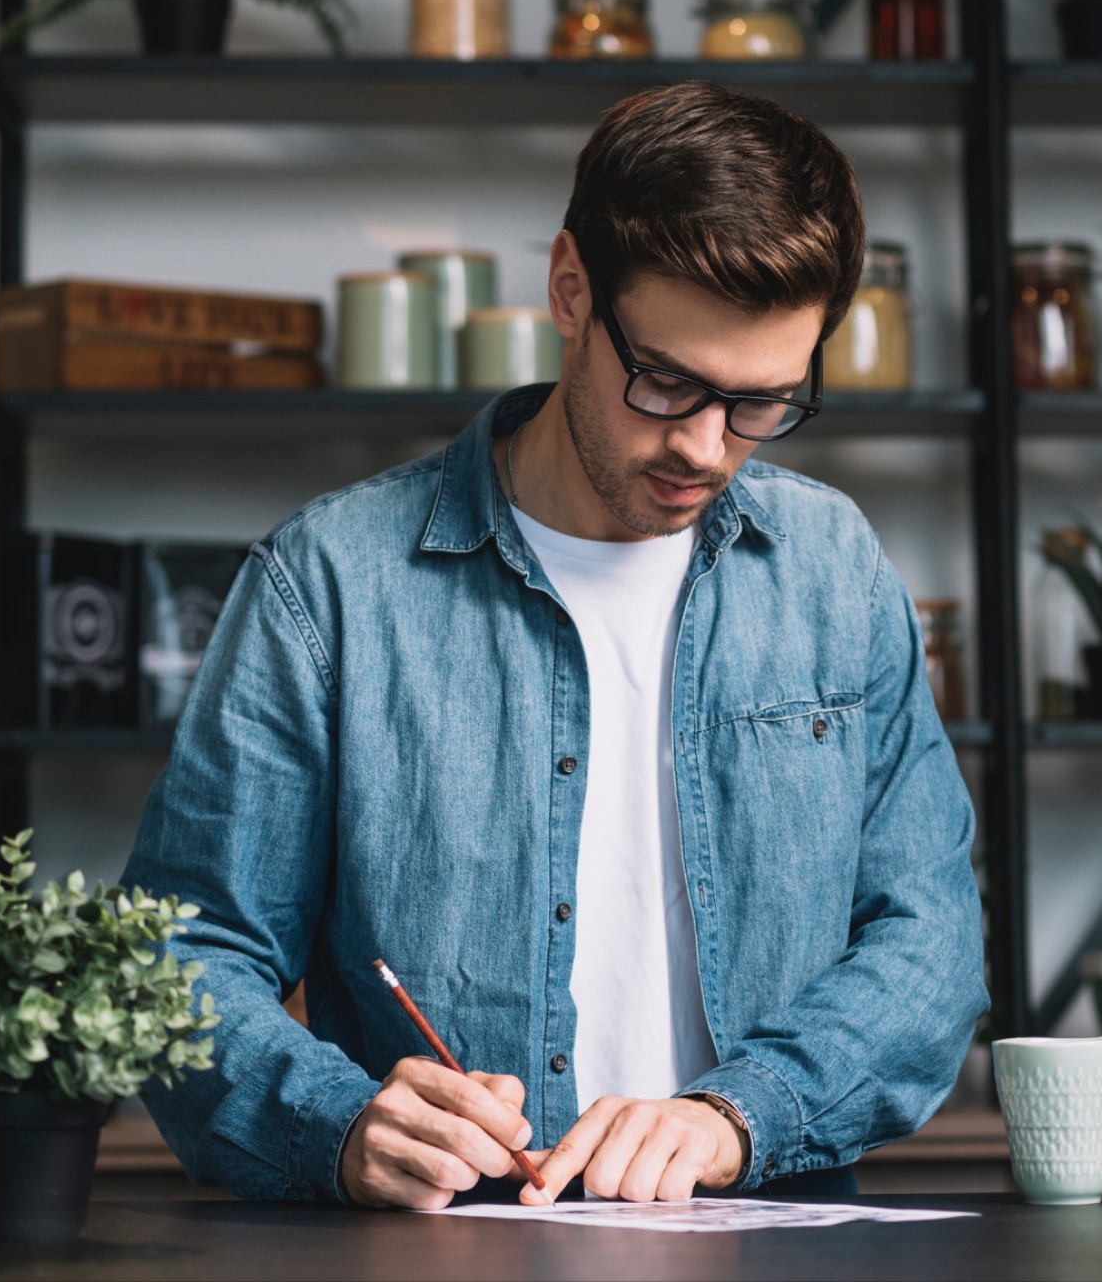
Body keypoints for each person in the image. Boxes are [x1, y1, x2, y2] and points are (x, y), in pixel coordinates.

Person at [122, 81, 988, 1209]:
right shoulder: (328, 584)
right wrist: (337, 1124)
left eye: (763, 402)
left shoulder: (830, 566)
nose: (704, 446)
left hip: (773, 1228)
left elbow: (928, 937)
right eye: (666, 380)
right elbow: (184, 957)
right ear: (570, 288)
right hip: (452, 1242)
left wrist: (737, 1116)